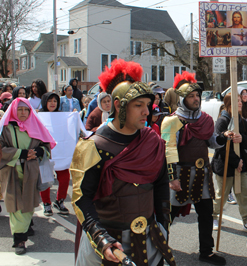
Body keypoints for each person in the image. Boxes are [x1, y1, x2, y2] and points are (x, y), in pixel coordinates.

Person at [71, 59, 176, 266]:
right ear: (118, 105)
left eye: (147, 105)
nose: (147, 111)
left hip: (149, 239)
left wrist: (163, 225)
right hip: (107, 245)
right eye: (139, 105)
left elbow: (161, 186)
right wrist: (101, 238)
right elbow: (82, 200)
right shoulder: (93, 145)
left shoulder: (152, 141)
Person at [162, 71, 226, 265]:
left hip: (201, 174)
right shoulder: (171, 121)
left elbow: (212, 142)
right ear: (182, 99)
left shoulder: (205, 119)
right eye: (191, 96)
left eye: (197, 95)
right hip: (179, 174)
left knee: (206, 214)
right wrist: (172, 178)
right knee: (167, 216)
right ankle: (160, 246)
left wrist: (225, 138)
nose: (196, 98)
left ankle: (206, 252)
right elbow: (167, 151)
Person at [0, 98, 56, 255]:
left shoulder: (36, 125)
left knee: (28, 201)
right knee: (15, 204)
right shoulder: (5, 129)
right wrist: (21, 153)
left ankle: (24, 227)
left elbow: (45, 146)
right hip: (11, 170)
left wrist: (38, 152)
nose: (23, 113)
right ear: (13, 111)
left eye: (26, 110)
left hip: (31, 170)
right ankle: (19, 239)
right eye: (20, 110)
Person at [212, 93, 247, 232]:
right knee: (222, 194)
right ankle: (214, 216)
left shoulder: (242, 120)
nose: (240, 103)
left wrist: (243, 139)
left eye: (241, 101)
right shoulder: (222, 121)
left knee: (244, 193)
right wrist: (236, 161)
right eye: (237, 101)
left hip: (241, 165)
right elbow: (220, 146)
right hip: (226, 164)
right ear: (229, 104)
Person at [38, 92, 76, 216]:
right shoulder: (39, 115)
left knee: (64, 178)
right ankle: (46, 203)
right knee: (46, 179)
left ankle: (60, 201)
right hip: (46, 152)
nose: (53, 103)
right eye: (50, 101)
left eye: (55, 101)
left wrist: (74, 115)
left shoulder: (63, 116)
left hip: (61, 153)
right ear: (45, 102)